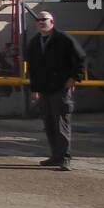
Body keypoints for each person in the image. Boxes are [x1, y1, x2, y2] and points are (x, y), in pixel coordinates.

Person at [25, 11, 86, 171]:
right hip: (44, 88)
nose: (41, 22)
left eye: (44, 19)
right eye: (38, 20)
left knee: (61, 122)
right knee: (49, 123)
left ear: (52, 21)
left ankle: (65, 158)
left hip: (60, 87)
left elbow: (80, 58)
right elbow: (33, 68)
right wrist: (34, 89)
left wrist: (74, 77)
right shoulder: (34, 43)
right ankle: (55, 156)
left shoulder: (63, 39)